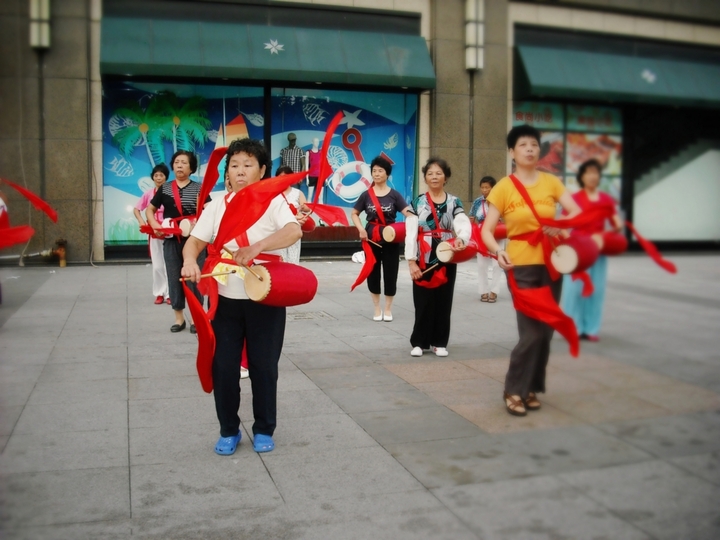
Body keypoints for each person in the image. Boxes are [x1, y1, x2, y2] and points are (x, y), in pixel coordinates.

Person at [181, 138, 301, 456]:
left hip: (265, 295)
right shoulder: (216, 205)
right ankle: (228, 429)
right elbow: (193, 241)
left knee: (264, 366)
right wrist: (190, 260)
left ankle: (264, 428)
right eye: (234, 165)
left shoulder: (273, 202)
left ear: (262, 171)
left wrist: (258, 247)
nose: (240, 171)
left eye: (248, 165)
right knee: (224, 366)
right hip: (224, 298)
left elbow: (293, 231)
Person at [481, 124, 582, 417]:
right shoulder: (504, 186)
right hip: (520, 264)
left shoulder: (551, 183)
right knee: (531, 332)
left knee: (547, 330)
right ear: (512, 152)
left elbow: (575, 213)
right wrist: (498, 251)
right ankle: (513, 388)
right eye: (523, 145)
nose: (529, 149)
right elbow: (486, 230)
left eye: (534, 145)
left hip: (551, 263)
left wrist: (560, 224)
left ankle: (532, 387)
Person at [405, 157, 471, 357]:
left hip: (447, 255)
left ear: (446, 177)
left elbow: (461, 222)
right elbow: (410, 231)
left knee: (444, 299)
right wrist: (411, 260)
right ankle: (419, 342)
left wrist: (462, 238)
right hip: (423, 257)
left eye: (439, 173)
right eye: (430, 173)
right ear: (425, 177)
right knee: (423, 301)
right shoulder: (418, 201)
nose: (434, 177)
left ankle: (439, 342)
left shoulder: (454, 201)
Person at [146, 150, 208, 333]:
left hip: (195, 240)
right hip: (171, 239)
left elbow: (209, 210)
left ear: (191, 168)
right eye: (177, 162)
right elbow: (150, 210)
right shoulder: (164, 188)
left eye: (184, 163)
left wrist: (200, 223)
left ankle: (197, 318)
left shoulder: (199, 188)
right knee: (174, 277)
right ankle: (179, 318)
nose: (179, 165)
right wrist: (155, 225)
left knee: (194, 279)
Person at [561, 159, 623, 342]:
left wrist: (603, 236)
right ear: (582, 176)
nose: (592, 176)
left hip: (598, 252)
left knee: (596, 290)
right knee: (574, 290)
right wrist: (571, 244)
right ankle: (573, 327)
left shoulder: (606, 199)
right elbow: (563, 225)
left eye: (595, 172)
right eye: (588, 172)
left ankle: (591, 328)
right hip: (579, 253)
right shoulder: (575, 199)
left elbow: (617, 225)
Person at [351, 156, 413, 321]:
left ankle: (388, 308)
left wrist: (414, 218)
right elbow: (354, 213)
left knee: (391, 273)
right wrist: (360, 229)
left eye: (380, 171)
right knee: (373, 272)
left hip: (391, 239)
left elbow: (407, 212)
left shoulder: (394, 195)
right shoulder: (366, 195)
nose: (376, 174)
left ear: (387, 174)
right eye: (374, 171)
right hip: (371, 239)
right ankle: (377, 308)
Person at [134, 164, 170, 305]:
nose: (159, 178)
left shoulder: (170, 193)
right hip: (154, 232)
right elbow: (137, 209)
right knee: (157, 265)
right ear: (152, 178)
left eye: (161, 175)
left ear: (166, 177)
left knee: (170, 264)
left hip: (169, 232)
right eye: (156, 175)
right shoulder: (149, 194)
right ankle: (159, 292)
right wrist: (142, 222)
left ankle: (170, 294)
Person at [469, 176, 504, 303]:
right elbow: (471, 218)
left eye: (487, 187)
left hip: (497, 235)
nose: (484, 190)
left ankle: (494, 291)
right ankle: (483, 291)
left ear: (493, 188)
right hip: (482, 235)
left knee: (496, 264)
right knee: (482, 264)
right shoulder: (478, 202)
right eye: (482, 187)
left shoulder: (500, 201)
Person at [277, 165, 311, 264]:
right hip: (278, 231)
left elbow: (307, 209)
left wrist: (304, 208)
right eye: (280, 177)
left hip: (294, 230)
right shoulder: (273, 194)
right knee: (280, 260)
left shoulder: (297, 193)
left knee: (293, 260)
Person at [306, 137, 321, 202]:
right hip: (311, 176)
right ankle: (307, 210)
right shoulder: (308, 152)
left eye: (318, 142)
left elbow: (324, 166)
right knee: (310, 196)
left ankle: (321, 211)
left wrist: (325, 178)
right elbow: (307, 166)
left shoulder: (321, 152)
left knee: (320, 197)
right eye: (315, 142)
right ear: (312, 142)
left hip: (320, 176)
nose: (317, 143)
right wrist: (307, 178)